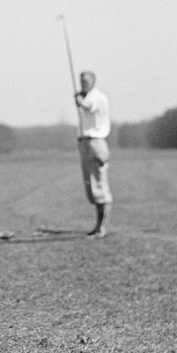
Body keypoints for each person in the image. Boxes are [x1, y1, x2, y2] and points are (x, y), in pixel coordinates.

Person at [74, 70, 112, 237]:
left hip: (96, 143)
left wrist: (80, 101)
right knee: (91, 186)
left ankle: (102, 227)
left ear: (93, 82)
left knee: (99, 186)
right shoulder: (87, 96)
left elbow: (90, 107)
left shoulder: (96, 97)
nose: (83, 84)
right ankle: (98, 226)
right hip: (85, 142)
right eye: (81, 82)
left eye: (85, 82)